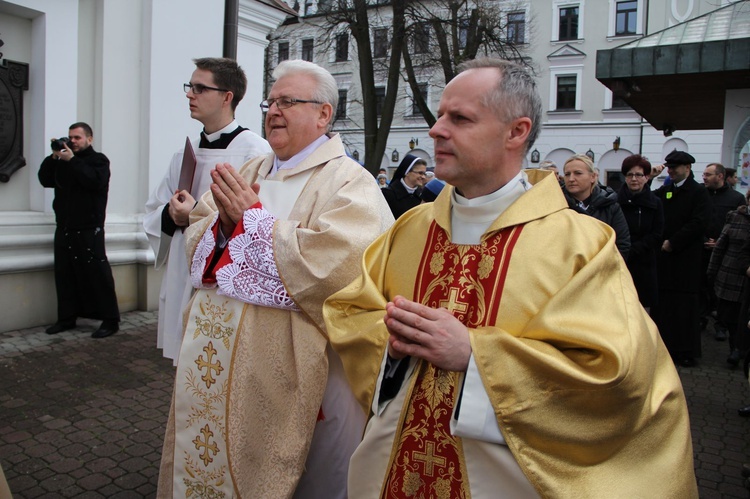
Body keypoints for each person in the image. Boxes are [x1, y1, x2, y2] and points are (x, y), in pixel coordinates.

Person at [324, 58, 697, 498]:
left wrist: (476, 356)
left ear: (516, 132)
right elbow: (352, 312)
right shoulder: (411, 229)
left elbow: (618, 376)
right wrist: (392, 342)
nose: (435, 130)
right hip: (393, 469)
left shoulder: (580, 244)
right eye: (440, 114)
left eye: (459, 118)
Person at [157, 60, 394, 498]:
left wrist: (252, 223)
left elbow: (338, 268)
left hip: (303, 372)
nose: (274, 111)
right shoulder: (250, 172)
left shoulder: (350, 183)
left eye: (289, 102)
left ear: (324, 114)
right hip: (221, 364)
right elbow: (198, 232)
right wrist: (225, 228)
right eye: (271, 102)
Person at [143, 57, 270, 363]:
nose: (190, 94)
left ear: (227, 96)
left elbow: (259, 222)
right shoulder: (184, 153)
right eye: (190, 86)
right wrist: (170, 215)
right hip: (181, 269)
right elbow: (155, 207)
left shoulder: (255, 152)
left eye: (200, 88)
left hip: (222, 279)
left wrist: (196, 215)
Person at [38, 122, 120, 338]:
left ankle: (110, 320)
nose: (72, 141)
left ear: (89, 139)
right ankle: (66, 318)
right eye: (70, 138)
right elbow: (45, 180)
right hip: (65, 227)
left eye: (77, 138)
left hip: (89, 228)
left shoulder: (98, 161)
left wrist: (72, 161)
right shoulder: (64, 161)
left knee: (97, 274)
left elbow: (94, 181)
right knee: (65, 274)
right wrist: (54, 157)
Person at [653, 150, 711, 367]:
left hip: (686, 260)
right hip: (666, 261)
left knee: (684, 308)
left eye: (675, 167)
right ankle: (665, 347)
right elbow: (649, 200)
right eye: (669, 167)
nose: (671, 171)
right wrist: (648, 176)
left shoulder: (698, 192)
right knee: (666, 306)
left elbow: (698, 223)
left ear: (687, 168)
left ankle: (685, 350)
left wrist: (673, 242)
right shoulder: (667, 190)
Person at [701, 162, 746, 339]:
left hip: (725, 253)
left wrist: (719, 242)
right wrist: (704, 240)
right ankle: (701, 318)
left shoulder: (735, 198)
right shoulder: (701, 194)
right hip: (702, 247)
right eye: (704, 174)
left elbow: (739, 226)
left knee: (721, 291)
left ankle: (722, 324)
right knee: (701, 286)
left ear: (720, 176)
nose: (704, 177)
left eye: (708, 174)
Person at [617, 154, 664, 311]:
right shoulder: (615, 201)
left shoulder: (655, 202)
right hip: (619, 261)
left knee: (642, 309)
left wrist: (636, 248)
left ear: (646, 177)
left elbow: (657, 233)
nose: (634, 179)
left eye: (638, 175)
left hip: (644, 263)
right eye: (629, 175)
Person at [563, 154, 631, 259]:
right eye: (567, 174)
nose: (571, 179)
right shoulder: (558, 206)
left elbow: (622, 244)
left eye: (578, 173)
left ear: (593, 177)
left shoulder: (610, 206)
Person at [707, 203, 750, 366]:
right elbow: (720, 246)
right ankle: (735, 349)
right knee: (732, 316)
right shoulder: (735, 217)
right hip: (731, 273)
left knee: (745, 315)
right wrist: (712, 270)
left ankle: (742, 349)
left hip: (747, 277)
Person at [381, 153, 427, 218]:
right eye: (420, 173)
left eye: (424, 174)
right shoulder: (387, 194)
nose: (423, 177)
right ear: (407, 172)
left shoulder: (421, 196)